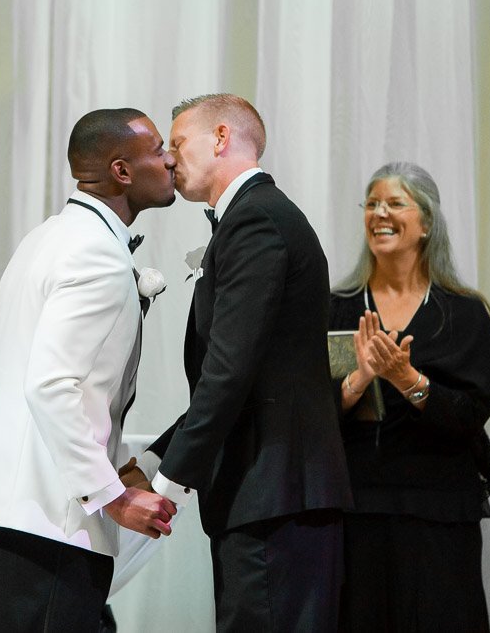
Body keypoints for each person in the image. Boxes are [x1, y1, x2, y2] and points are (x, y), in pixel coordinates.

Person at [127, 94, 353, 632]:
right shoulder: (252, 219)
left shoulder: (255, 221)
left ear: (222, 138)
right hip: (270, 493)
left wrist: (165, 487)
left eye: (177, 143)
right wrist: (156, 461)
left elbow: (227, 374)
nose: (169, 160)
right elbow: (243, 375)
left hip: (275, 494)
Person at [0, 108, 179, 632]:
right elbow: (50, 385)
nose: (170, 161)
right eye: (159, 149)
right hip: (51, 520)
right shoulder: (97, 253)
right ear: (122, 171)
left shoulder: (47, 237)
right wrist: (113, 496)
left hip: (3, 510)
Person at [331, 161, 490, 632]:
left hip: (438, 510)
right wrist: (359, 380)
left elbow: (471, 415)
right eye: (372, 204)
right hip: (355, 508)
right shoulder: (336, 306)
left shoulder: (463, 313)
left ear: (427, 223)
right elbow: (308, 411)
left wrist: (409, 379)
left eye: (395, 203)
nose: (380, 213)